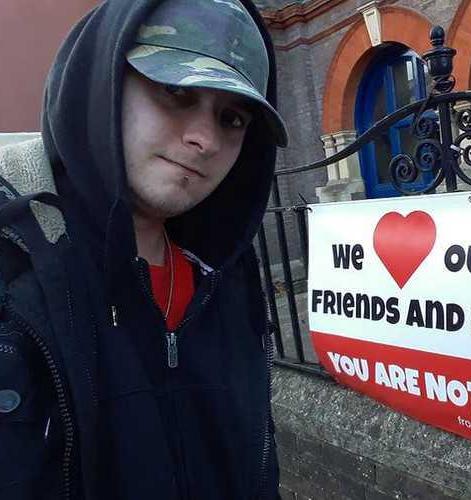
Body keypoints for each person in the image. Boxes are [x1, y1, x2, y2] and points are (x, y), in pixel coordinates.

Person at [0, 0, 288, 498]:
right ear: (101, 86)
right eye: (175, 92)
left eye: (232, 119)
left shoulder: (227, 277)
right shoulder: (15, 269)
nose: (205, 139)